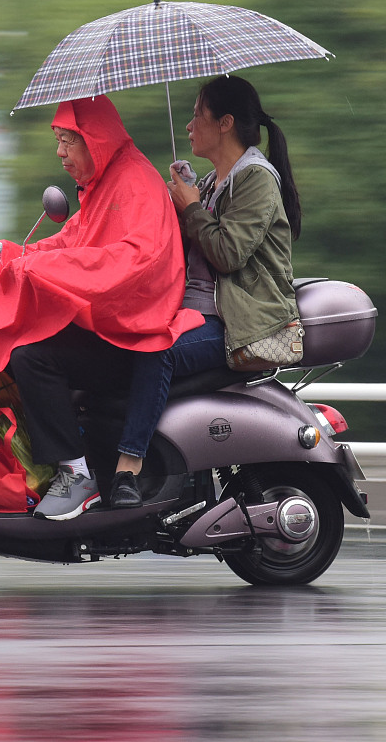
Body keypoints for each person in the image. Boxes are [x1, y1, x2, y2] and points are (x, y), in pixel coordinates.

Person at [0, 95, 202, 520]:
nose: (59, 151)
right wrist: (7, 256)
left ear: (94, 141)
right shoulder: (104, 184)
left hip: (135, 332)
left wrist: (41, 265)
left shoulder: (135, 184)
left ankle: (76, 475)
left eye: (67, 141)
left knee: (31, 357)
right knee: (24, 338)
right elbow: (70, 240)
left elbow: (134, 260)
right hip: (112, 324)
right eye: (57, 140)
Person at [108, 75, 301, 508]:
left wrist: (192, 206)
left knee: (158, 350)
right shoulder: (216, 181)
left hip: (236, 322)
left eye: (198, 114)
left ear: (226, 123)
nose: (191, 125)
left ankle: (128, 469)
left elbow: (228, 253)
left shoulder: (256, 180)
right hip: (197, 313)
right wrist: (175, 202)